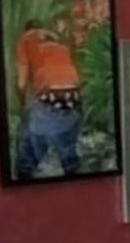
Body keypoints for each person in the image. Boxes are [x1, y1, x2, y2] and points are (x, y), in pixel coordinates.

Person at [13, 17, 84, 177]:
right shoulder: (57, 39)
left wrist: (22, 103)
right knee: (67, 144)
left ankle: (25, 173)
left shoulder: (25, 39)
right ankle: (70, 165)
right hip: (73, 94)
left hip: (49, 92)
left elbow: (21, 83)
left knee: (29, 144)